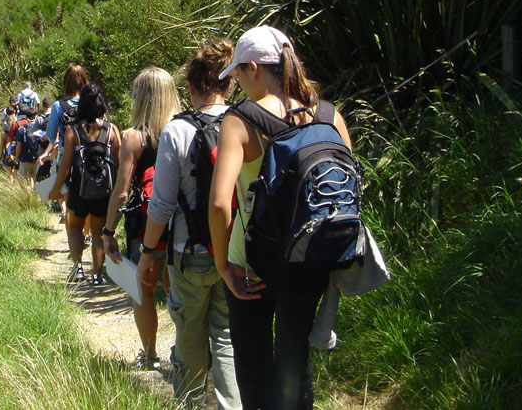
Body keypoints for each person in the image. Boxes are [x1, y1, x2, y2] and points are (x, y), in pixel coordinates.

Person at [210, 25, 352, 410]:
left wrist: (223, 264)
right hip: (310, 255)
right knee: (294, 362)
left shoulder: (240, 121)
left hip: (253, 262)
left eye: (238, 73)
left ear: (254, 68)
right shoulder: (329, 115)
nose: (237, 82)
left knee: (254, 364)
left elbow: (221, 203)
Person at [138, 39, 241, 408]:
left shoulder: (176, 131)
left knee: (190, 337)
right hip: (233, 251)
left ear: (191, 88)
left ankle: (193, 402)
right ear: (229, 85)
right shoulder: (244, 123)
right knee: (227, 338)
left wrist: (148, 252)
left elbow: (162, 205)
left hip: (190, 253)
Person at [102, 66, 180, 370]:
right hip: (182, 221)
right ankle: (184, 350)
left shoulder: (134, 138)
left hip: (146, 223)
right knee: (177, 285)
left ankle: (149, 355)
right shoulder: (186, 128)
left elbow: (121, 193)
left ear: (141, 97)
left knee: (143, 286)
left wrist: (108, 231)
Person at [49, 83, 120, 286]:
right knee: (98, 232)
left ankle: (78, 267)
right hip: (103, 191)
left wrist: (55, 190)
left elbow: (65, 166)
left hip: (79, 189)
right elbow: (121, 162)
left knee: (75, 228)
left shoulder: (74, 130)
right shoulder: (111, 130)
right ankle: (97, 275)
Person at [44, 64, 89, 228]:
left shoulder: (58, 105)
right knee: (88, 194)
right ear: (84, 80)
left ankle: (73, 237)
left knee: (69, 196)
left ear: (66, 82)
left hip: (67, 155)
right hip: (90, 153)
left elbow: (50, 135)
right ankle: (86, 234)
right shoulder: (90, 102)